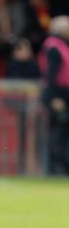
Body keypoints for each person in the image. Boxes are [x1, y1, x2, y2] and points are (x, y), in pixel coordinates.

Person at [38, 16, 69, 175]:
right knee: (57, 135)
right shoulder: (54, 47)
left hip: (63, 96)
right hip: (58, 97)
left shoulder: (60, 45)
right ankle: (55, 169)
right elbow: (51, 75)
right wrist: (53, 99)